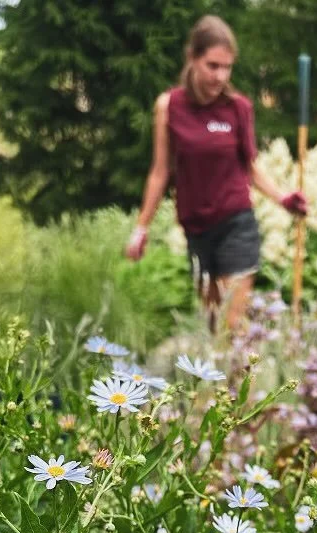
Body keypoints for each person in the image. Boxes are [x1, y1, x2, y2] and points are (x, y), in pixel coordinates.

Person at [125, 15, 307, 334]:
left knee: (231, 324)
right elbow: (160, 171)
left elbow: (250, 167)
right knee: (213, 325)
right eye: (213, 66)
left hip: (236, 223)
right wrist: (141, 228)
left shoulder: (238, 108)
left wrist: (284, 198)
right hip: (196, 229)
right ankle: (229, 382)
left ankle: (242, 383)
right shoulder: (169, 106)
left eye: (227, 67)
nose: (221, 76)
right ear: (192, 58)